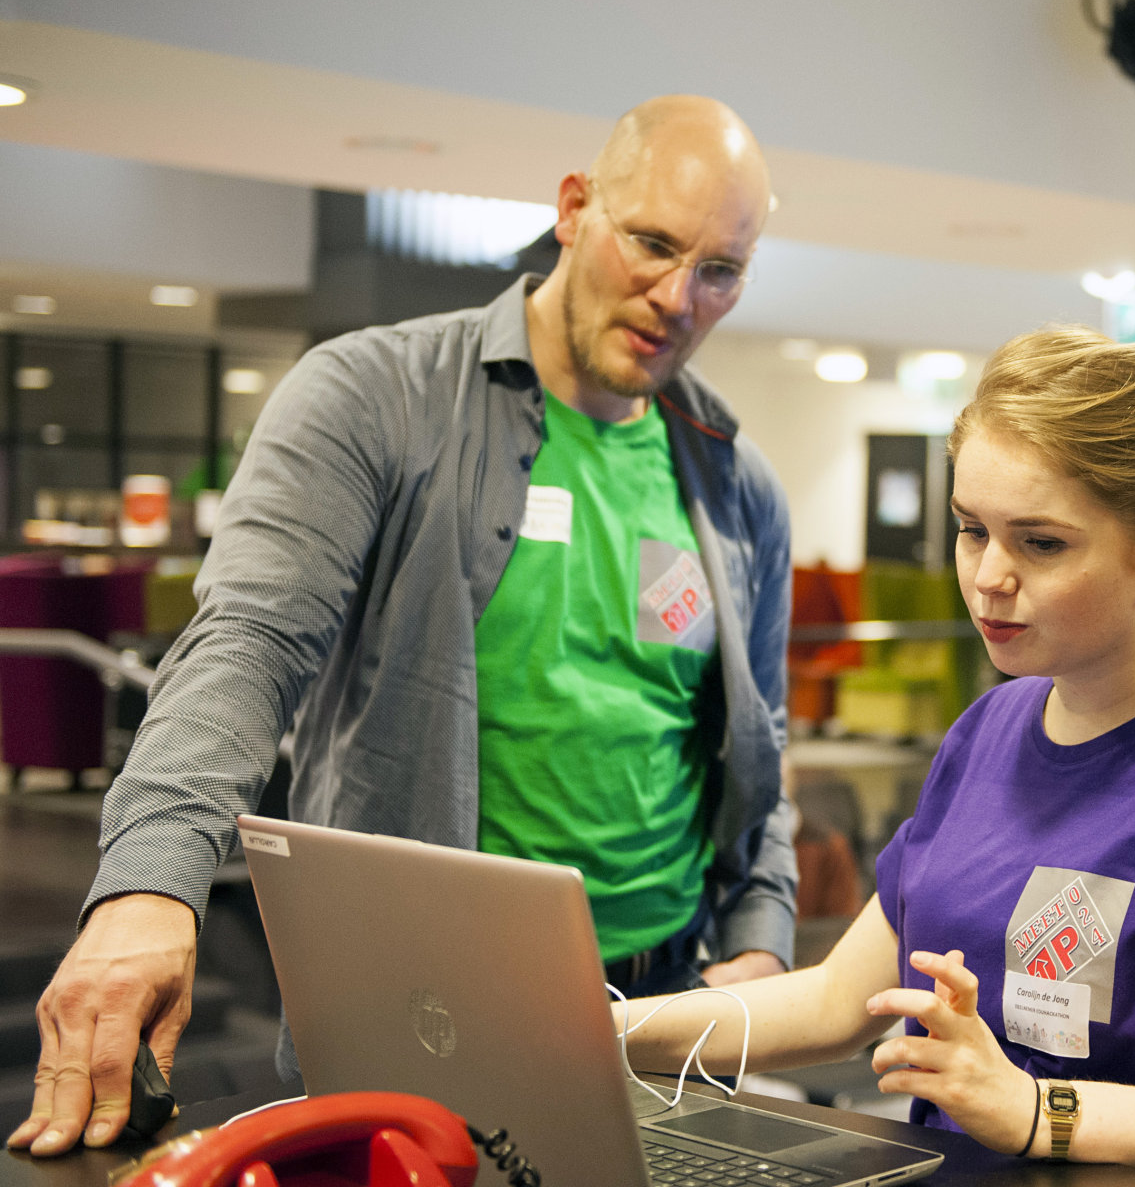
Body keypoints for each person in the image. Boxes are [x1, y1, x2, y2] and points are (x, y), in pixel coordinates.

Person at [11, 96, 799, 1158]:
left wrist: (756, 946)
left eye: (719, 271)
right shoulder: (374, 395)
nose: (675, 296)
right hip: (430, 995)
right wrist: (150, 882)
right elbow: (247, 643)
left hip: (667, 994)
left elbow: (761, 749)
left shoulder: (736, 482)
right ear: (574, 207)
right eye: (652, 243)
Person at [623, 325, 1135, 1186]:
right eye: (973, 531)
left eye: (1040, 543)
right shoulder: (991, 730)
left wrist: (1041, 1114)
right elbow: (834, 1002)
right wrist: (598, 1028)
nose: (989, 578)